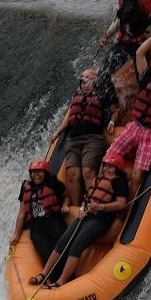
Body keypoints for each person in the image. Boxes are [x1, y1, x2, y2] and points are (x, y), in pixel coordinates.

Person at [29, 153, 128, 288]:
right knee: (63, 242)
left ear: (117, 168)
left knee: (76, 246)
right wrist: (82, 209)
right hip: (86, 215)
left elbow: (121, 203)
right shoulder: (98, 179)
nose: (106, 169)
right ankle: (44, 274)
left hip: (101, 219)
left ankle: (61, 281)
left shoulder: (119, 182)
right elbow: (88, 197)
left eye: (110, 167)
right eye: (105, 166)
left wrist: (101, 207)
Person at [105, 29, 151, 199]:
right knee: (109, 158)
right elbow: (139, 53)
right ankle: (105, 194)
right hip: (135, 126)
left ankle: (128, 207)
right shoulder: (145, 78)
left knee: (137, 175)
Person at [50, 69, 119, 207]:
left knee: (87, 171)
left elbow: (115, 110)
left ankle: (92, 203)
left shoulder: (101, 96)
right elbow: (68, 119)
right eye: (83, 83)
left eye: (88, 83)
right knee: (73, 173)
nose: (85, 85)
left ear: (94, 84)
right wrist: (57, 132)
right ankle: (76, 208)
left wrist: (112, 122)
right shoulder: (76, 96)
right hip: (74, 139)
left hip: (93, 138)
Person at [10, 159, 68, 270]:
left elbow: (67, 196)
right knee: (44, 251)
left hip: (53, 220)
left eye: (39, 172)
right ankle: (52, 277)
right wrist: (16, 234)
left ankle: (66, 277)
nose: (36, 175)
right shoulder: (26, 187)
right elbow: (22, 213)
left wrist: (65, 205)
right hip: (36, 224)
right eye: (33, 172)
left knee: (60, 247)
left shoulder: (53, 183)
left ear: (45, 172)